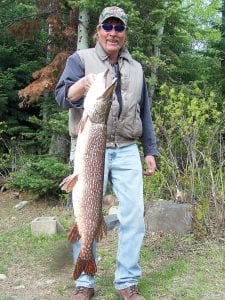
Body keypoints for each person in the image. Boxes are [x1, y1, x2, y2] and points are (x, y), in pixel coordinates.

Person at [55, 6, 157, 300]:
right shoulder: (81, 60)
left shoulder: (135, 68)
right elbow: (62, 97)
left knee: (134, 216)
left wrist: (150, 150)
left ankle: (126, 281)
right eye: (108, 27)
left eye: (119, 28)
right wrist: (83, 85)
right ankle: (84, 282)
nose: (113, 33)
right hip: (90, 148)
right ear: (98, 30)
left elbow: (145, 112)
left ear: (125, 34)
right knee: (85, 212)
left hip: (126, 149)